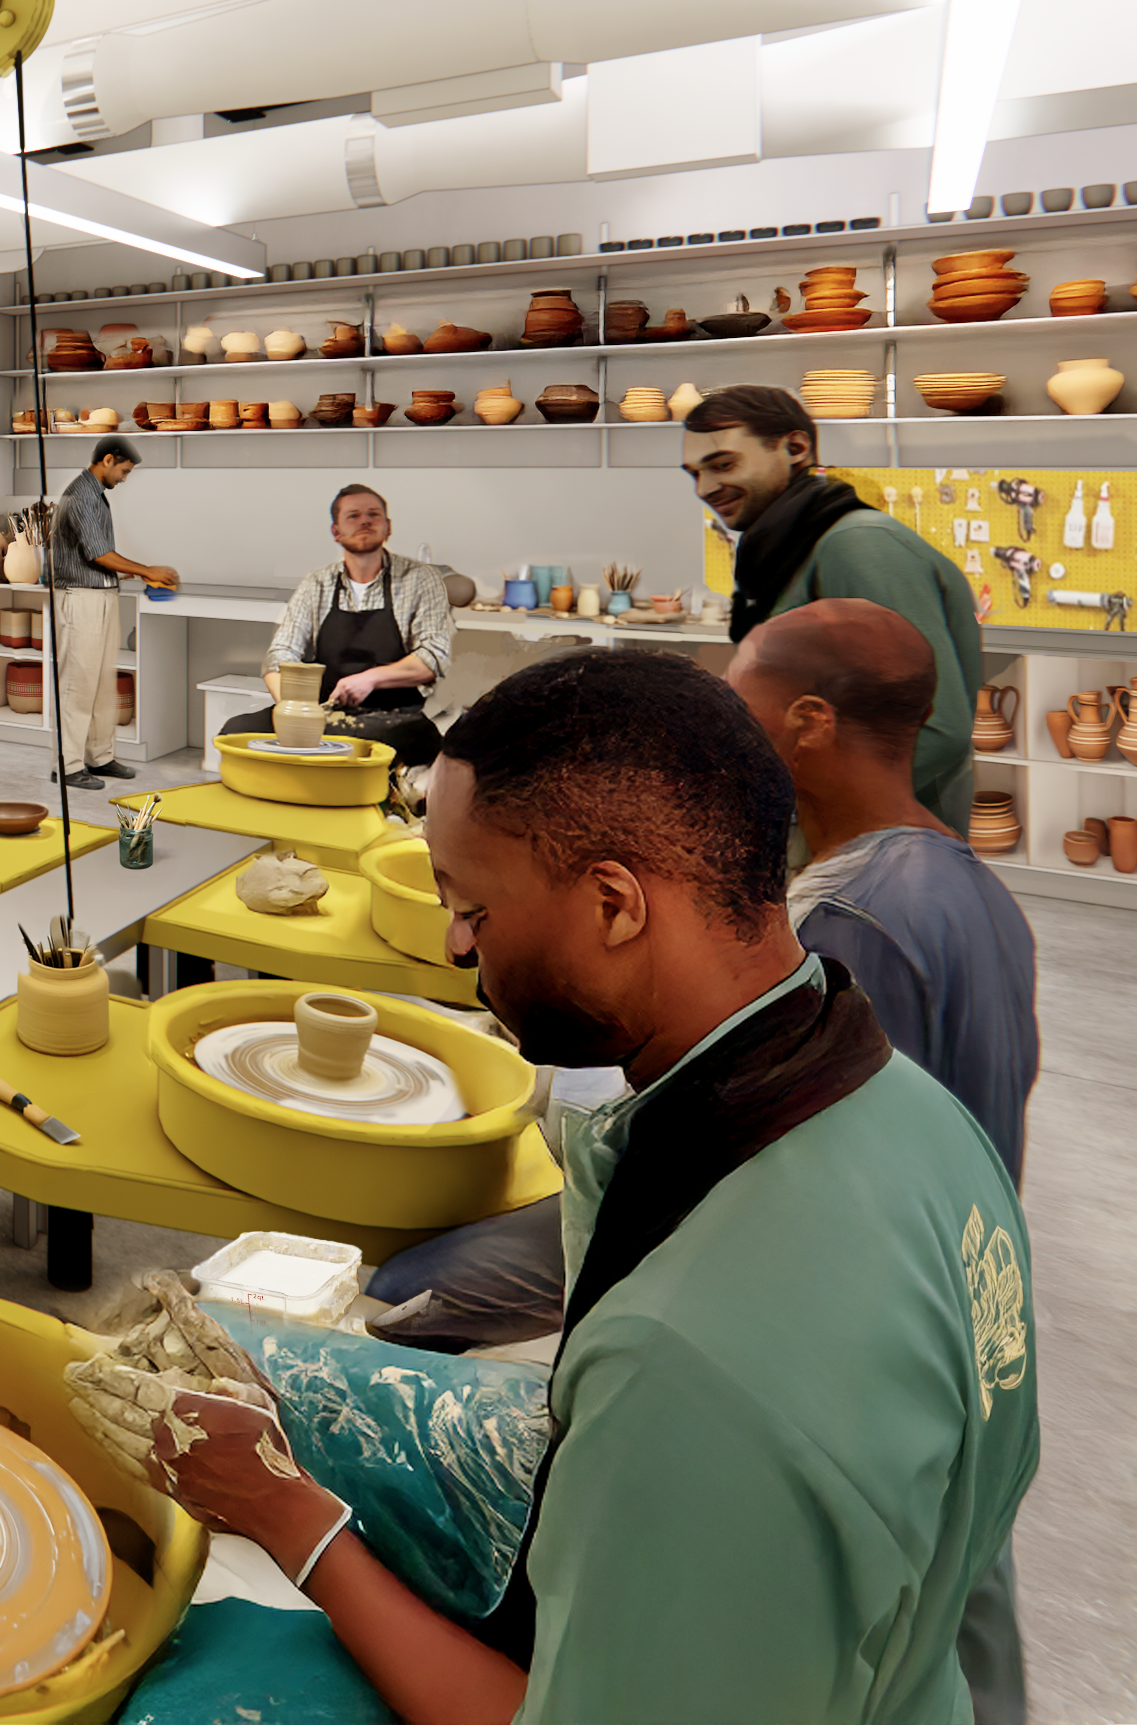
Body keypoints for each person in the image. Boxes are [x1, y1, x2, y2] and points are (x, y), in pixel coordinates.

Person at [115, 648, 1038, 1725]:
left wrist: (293, 1524)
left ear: (613, 905)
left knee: (168, 1681)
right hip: (870, 1635)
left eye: (473, 910)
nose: (454, 944)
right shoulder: (920, 1116)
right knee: (233, 1353)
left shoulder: (690, 1370)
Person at [730, 597, 1043, 1725]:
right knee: (962, 1607)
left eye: (741, 703)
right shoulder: (968, 888)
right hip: (968, 1309)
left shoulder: (851, 924)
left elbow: (814, 1182)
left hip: (875, 1342)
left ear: (808, 721)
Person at [680, 385, 983, 830]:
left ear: (795, 448)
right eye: (695, 474)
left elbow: (936, 727)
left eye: (724, 464)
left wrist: (791, 807)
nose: (705, 489)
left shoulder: (857, 546)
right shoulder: (789, 550)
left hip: (880, 842)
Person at [220, 482, 458, 764]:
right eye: (353, 516)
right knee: (237, 730)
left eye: (373, 514)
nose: (365, 521)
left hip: (393, 716)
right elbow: (279, 656)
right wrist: (292, 708)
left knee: (393, 740)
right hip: (325, 712)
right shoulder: (317, 583)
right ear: (336, 532)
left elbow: (434, 656)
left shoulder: (420, 578)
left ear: (388, 527)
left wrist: (369, 679)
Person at [48, 436, 177, 789]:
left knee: (102, 684)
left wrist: (133, 573)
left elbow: (96, 557)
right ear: (107, 460)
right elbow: (98, 553)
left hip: (100, 596)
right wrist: (147, 569)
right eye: (124, 471)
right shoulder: (80, 495)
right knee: (77, 684)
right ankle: (67, 766)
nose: (124, 478)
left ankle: (99, 757)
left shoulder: (95, 495)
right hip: (81, 600)